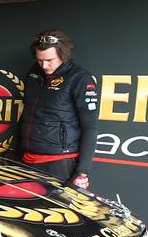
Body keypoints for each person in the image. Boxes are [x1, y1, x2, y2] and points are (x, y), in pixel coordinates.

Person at [17, 30, 100, 189]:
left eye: (49, 60)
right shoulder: (34, 73)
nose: (44, 65)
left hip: (59, 163)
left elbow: (90, 127)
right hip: (27, 159)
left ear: (64, 55)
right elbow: (27, 114)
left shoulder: (80, 78)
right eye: (40, 60)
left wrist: (82, 172)